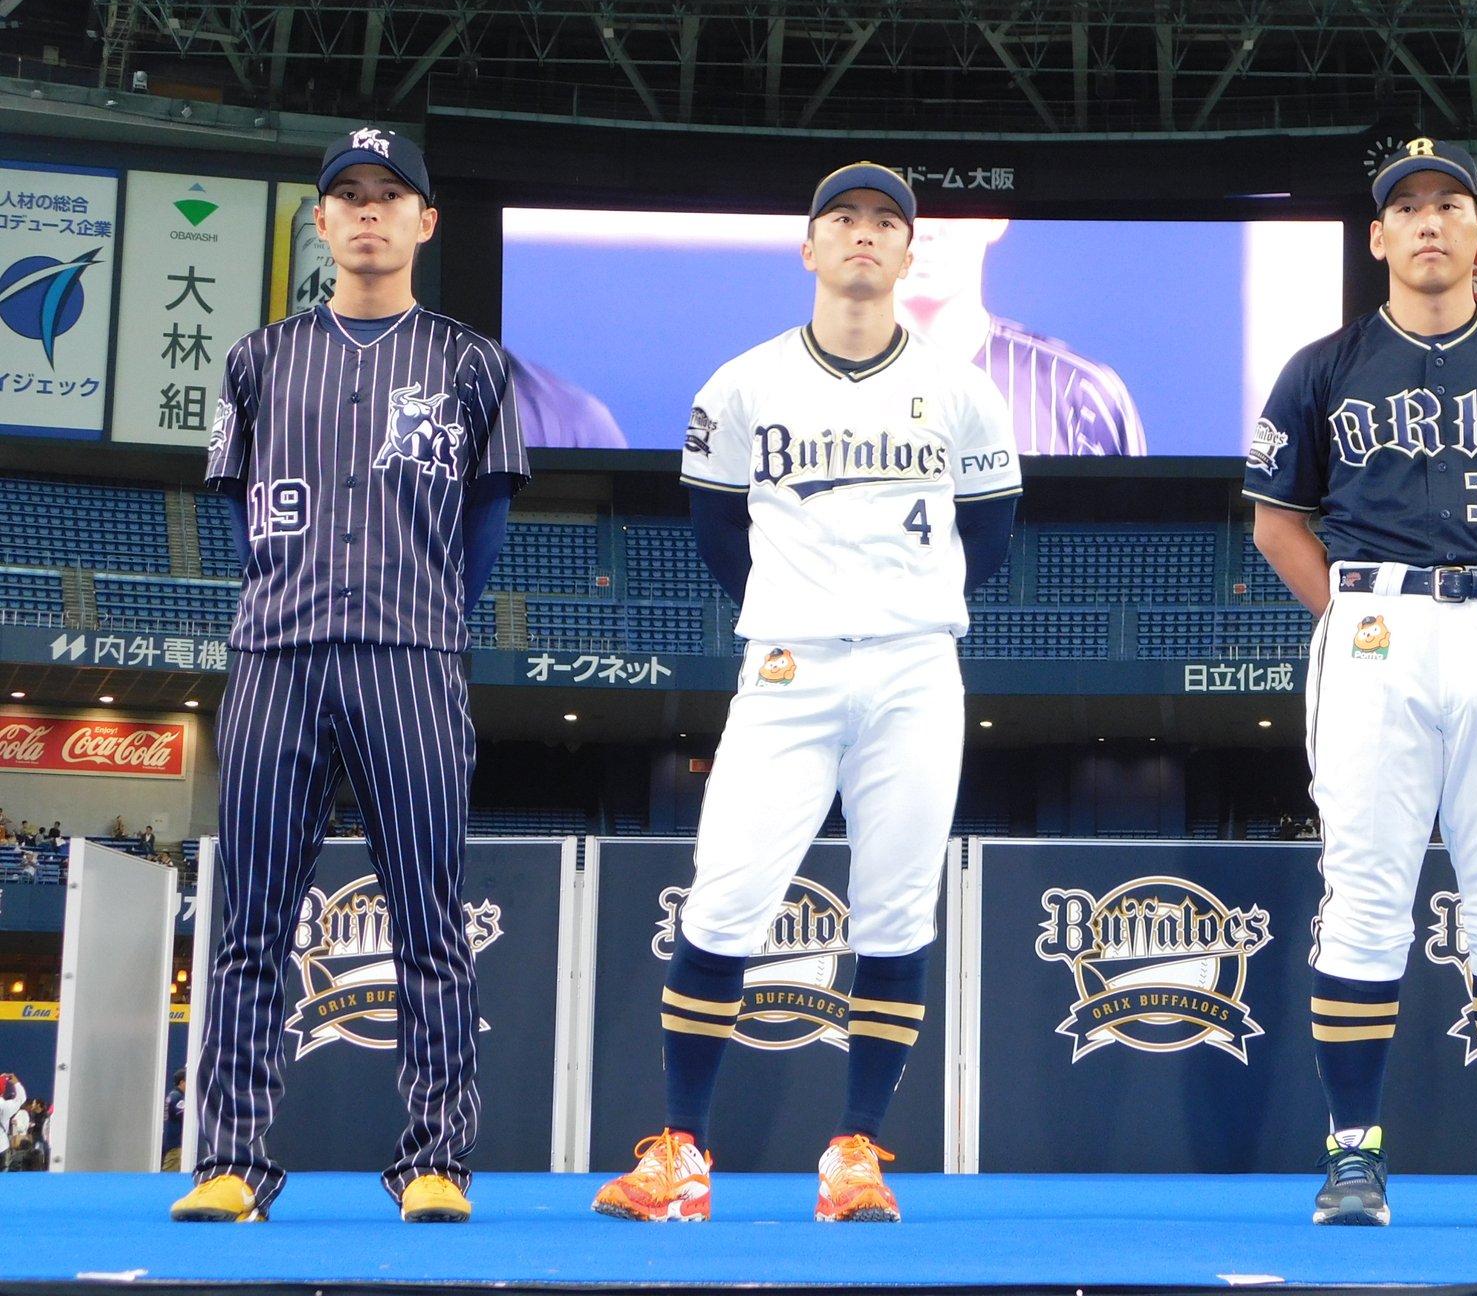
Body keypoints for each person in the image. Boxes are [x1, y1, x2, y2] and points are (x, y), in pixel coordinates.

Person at [591, 162, 1019, 1224]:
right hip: (785, 667)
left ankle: (855, 1156)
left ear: (909, 251)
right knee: (725, 897)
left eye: (885, 223)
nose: (864, 237)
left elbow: (992, 534)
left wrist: (904, 602)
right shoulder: (740, 383)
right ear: (809, 248)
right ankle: (680, 1155)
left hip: (917, 665)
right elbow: (713, 528)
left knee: (891, 911)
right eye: (843, 221)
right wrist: (792, 600)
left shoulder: (965, 387)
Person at [1244, 138, 1477, 1230]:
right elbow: (1276, 521)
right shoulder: (1319, 365)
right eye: (1403, 207)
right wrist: (1359, 620)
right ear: (1374, 237)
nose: (1423, 222)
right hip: (1373, 620)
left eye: (1445, 205)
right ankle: (1352, 1156)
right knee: (1364, 898)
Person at [172, 126, 529, 1226]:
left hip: (413, 661)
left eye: (391, 196)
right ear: (321, 222)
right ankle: (231, 1159)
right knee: (248, 924)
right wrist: (296, 601)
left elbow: (489, 520)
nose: (368, 212)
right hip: (276, 656)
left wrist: (419, 618)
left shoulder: (474, 364)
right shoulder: (257, 357)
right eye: (348, 196)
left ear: (426, 221)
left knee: (426, 917)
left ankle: (434, 1161)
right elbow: (238, 512)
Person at [892, 215, 1145, 456]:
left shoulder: (1080, 392)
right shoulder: (850, 386)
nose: (924, 230)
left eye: (950, 211)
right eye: (903, 211)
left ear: (994, 220)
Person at [163, 1067, 186, 1172]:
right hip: (175, 1143)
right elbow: (183, 1115)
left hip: (171, 1140)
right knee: (169, 1173)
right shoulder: (177, 1097)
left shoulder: (172, 1095)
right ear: (181, 1082)